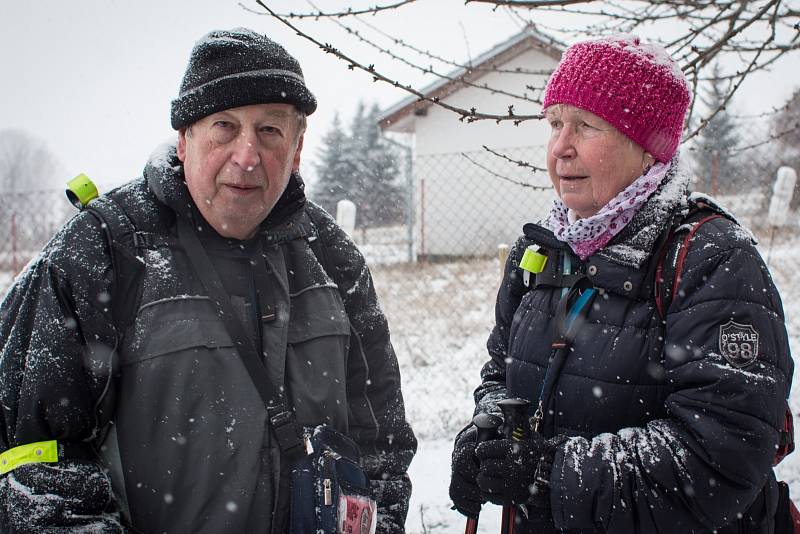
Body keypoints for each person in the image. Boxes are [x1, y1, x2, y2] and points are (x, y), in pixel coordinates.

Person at [0, 28, 416, 533]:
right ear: (184, 138)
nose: (247, 155)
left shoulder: (332, 258)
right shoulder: (99, 252)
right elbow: (36, 466)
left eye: (270, 131)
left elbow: (381, 445)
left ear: (298, 147)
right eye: (224, 126)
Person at [449, 35, 793, 533]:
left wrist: (548, 476)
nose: (561, 147)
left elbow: (721, 456)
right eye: (554, 125)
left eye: (586, 126)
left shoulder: (712, 259)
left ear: (645, 145)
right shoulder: (540, 252)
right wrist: (486, 439)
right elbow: (500, 375)